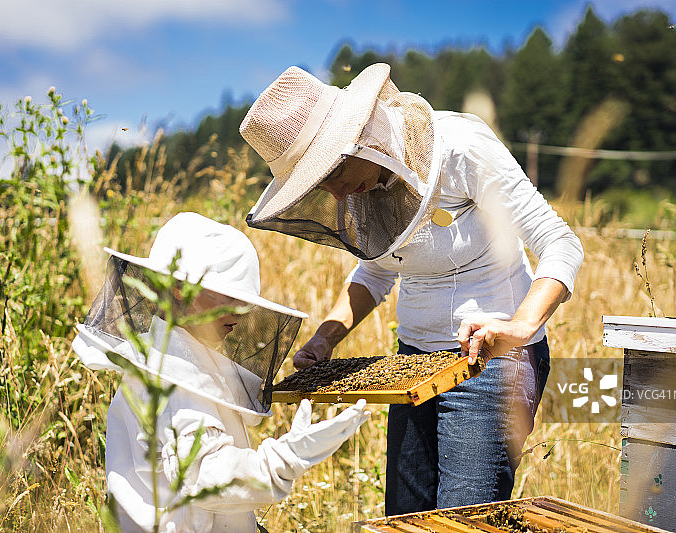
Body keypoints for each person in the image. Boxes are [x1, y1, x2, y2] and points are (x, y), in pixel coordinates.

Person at [239, 63, 583, 515]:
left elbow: (559, 241)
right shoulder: (362, 186)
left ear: (360, 139)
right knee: (405, 517)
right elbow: (376, 271)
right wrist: (326, 338)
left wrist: (521, 325)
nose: (338, 194)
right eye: (322, 184)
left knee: (464, 520)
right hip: (412, 364)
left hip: (491, 361)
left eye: (333, 175)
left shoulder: (461, 148)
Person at [72, 212, 370, 532]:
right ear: (177, 288)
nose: (239, 312)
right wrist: (283, 460)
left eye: (243, 300)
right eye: (229, 296)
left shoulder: (178, 353)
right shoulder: (173, 376)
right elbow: (204, 476)